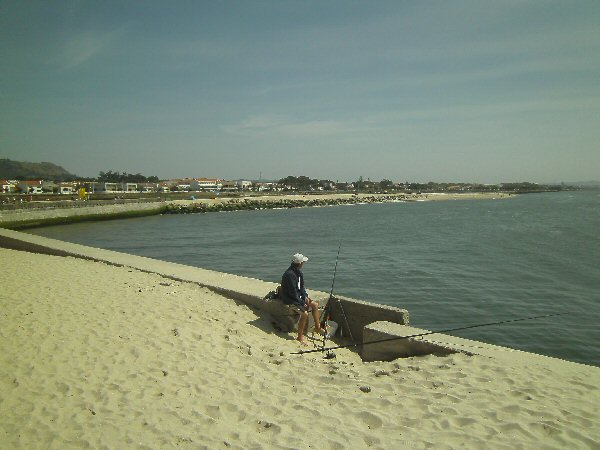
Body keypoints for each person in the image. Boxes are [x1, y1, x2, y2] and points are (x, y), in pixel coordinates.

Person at [280, 253, 325, 345]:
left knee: (315, 305)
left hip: (298, 297)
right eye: (303, 262)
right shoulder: (289, 275)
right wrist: (301, 301)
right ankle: (300, 337)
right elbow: (292, 292)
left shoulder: (299, 273)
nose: (303, 264)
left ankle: (317, 327)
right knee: (304, 314)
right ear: (300, 263)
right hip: (290, 299)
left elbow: (302, 288)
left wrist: (305, 297)